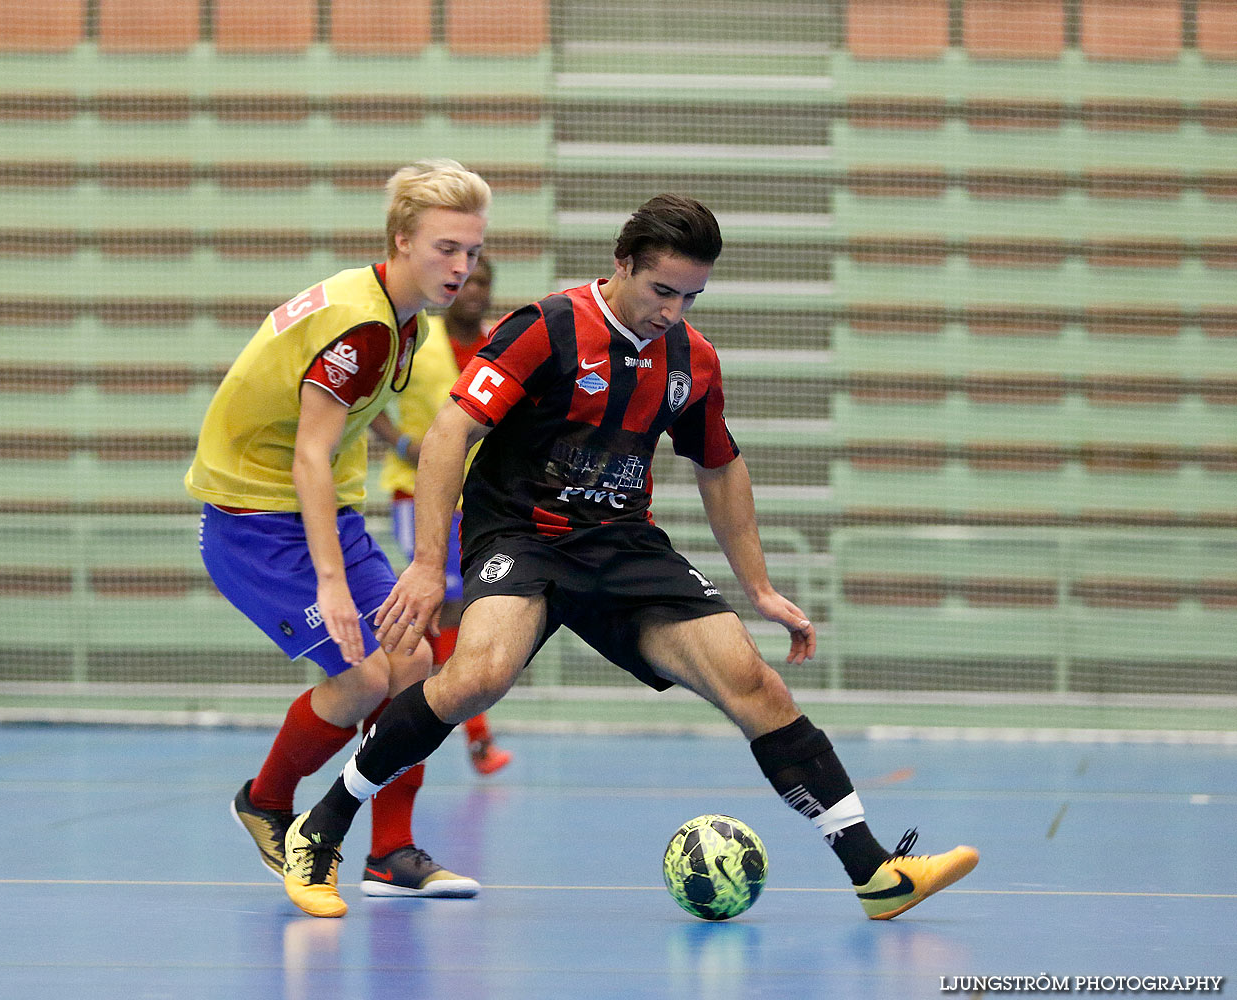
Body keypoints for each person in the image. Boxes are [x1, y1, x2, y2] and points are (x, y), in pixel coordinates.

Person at [279, 194, 979, 919]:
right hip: (522, 533)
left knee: (753, 681)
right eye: (662, 291)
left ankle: (875, 873)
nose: (674, 310)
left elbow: (720, 465)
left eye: (692, 296)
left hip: (621, 544)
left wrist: (761, 589)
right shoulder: (547, 328)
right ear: (623, 266)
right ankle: (323, 824)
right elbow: (452, 431)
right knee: (475, 678)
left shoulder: (692, 360)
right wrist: (428, 565)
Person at [185, 159, 491, 902]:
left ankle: (390, 853)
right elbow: (309, 455)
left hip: (325, 512)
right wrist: (332, 580)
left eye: (473, 251)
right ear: (400, 240)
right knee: (361, 677)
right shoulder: (363, 324)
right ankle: (267, 802)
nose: (461, 266)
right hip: (255, 520)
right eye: (445, 248)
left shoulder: (401, 317)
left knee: (414, 660)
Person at [371, 256, 512, 776]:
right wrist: (404, 443)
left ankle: (402, 714)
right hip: (420, 495)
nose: (473, 290)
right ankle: (473, 738)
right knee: (446, 607)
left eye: (483, 282)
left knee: (447, 615)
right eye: (466, 280)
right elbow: (370, 402)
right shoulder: (418, 339)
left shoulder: (501, 342)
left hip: (480, 498)